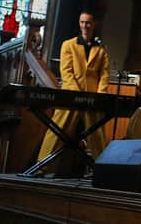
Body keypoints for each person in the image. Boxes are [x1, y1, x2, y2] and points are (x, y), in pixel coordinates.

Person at [37, 11, 110, 172]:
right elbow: (67, 72)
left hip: (92, 98)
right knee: (57, 129)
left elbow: (104, 74)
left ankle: (103, 169)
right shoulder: (68, 45)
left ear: (94, 24)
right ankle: (42, 166)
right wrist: (77, 94)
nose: (85, 26)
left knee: (97, 134)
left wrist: (99, 93)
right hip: (71, 95)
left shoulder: (101, 49)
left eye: (88, 23)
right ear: (79, 23)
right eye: (82, 22)